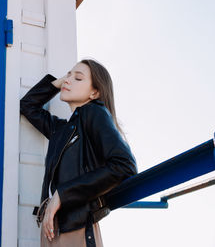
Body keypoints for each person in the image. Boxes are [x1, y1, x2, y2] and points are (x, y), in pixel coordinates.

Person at [20, 58, 138, 247]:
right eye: (68, 74)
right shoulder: (60, 131)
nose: (68, 80)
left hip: (76, 228)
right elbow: (28, 105)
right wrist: (61, 81)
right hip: (51, 231)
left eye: (78, 78)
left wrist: (62, 194)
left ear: (94, 92)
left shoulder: (94, 112)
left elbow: (124, 166)